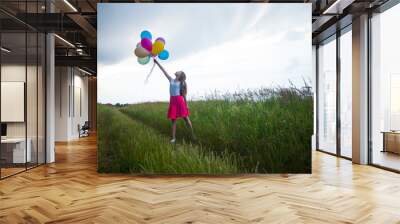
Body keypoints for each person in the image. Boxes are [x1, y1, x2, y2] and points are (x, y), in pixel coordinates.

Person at [153, 58, 194, 143]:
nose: (177, 71)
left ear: (180, 75)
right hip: (172, 101)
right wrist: (157, 63)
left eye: (179, 71)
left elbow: (184, 95)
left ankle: (192, 135)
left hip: (179, 100)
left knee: (186, 118)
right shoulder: (171, 79)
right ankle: (173, 138)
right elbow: (163, 71)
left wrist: (186, 105)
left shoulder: (181, 83)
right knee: (173, 120)